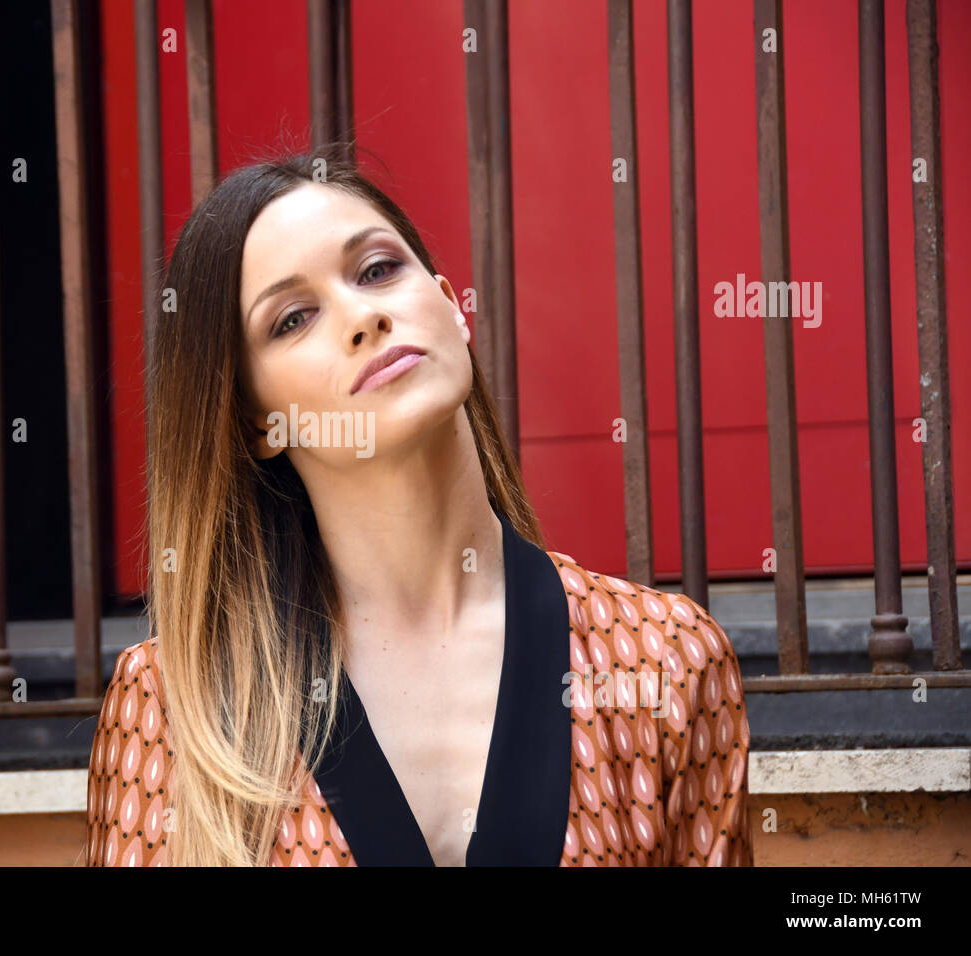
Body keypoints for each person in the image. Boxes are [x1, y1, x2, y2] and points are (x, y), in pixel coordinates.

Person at [85, 143, 753, 867]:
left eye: (377, 270)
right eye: (292, 319)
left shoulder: (664, 658)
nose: (363, 315)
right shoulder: (174, 709)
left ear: (449, 305)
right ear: (252, 420)